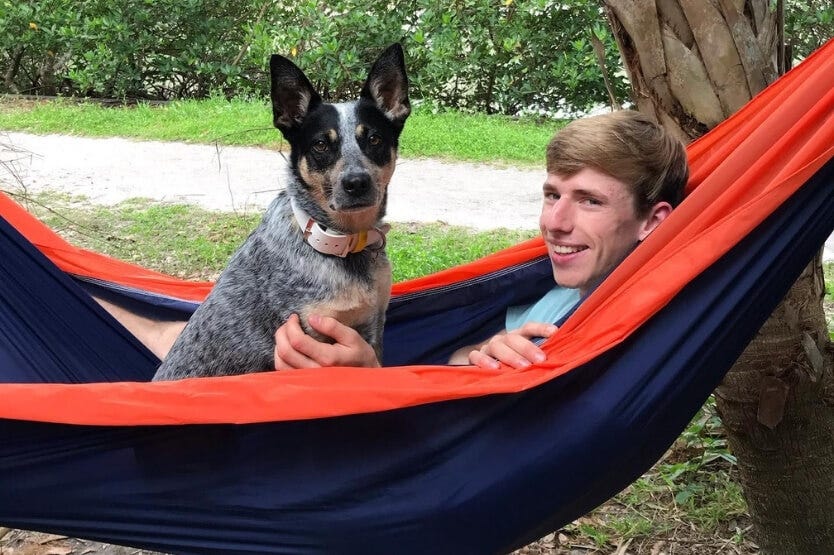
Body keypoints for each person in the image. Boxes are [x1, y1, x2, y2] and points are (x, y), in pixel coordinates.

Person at [96, 110, 688, 372]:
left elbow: (463, 439)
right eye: (551, 194)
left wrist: (368, 380)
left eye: (588, 201)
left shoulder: (613, 324)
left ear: (652, 222)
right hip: (390, 366)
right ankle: (100, 305)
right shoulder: (558, 281)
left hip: (350, 437)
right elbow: (461, 360)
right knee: (129, 309)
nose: (553, 223)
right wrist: (468, 356)